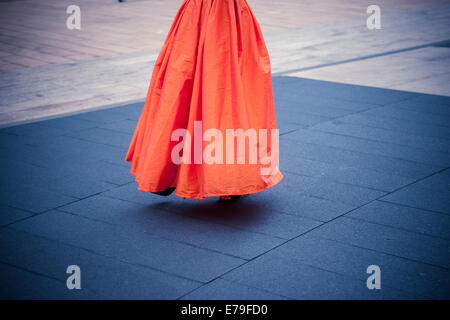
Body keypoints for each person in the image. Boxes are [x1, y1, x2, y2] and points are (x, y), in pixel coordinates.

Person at [125, 0, 283, 201]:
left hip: (206, 16)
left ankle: (175, 173)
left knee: (190, 87)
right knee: (217, 90)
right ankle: (198, 175)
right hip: (218, 16)